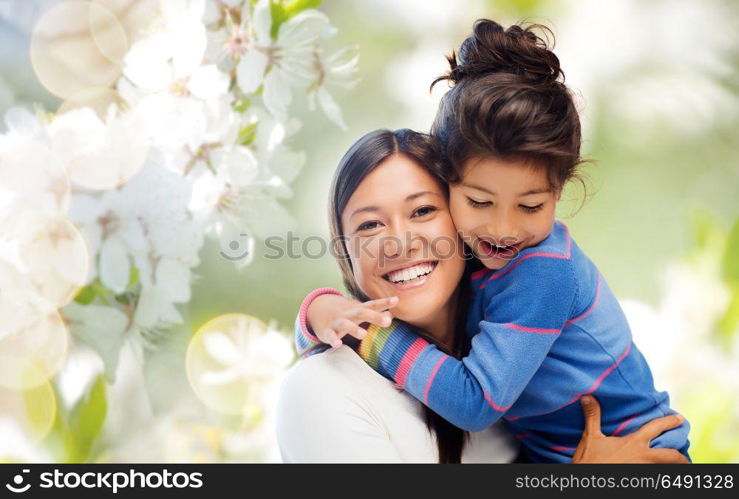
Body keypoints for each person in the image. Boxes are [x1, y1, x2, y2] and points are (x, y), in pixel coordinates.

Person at [294, 20, 691, 463]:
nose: (503, 229)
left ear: (560, 192)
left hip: (640, 457)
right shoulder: (474, 257)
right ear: (449, 183)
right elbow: (327, 336)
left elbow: (474, 403)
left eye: (530, 206)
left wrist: (368, 334)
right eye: (480, 202)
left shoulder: (542, 271)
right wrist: (320, 311)